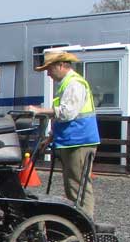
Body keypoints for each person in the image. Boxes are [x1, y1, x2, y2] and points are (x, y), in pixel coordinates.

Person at [26, 51, 100, 218]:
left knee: (78, 186)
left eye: (49, 69)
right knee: (72, 185)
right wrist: (51, 136)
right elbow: (64, 118)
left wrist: (39, 111)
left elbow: (67, 113)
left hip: (79, 141)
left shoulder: (74, 84)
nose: (48, 73)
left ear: (60, 65)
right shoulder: (67, 85)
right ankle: (79, 223)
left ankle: (85, 224)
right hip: (72, 141)